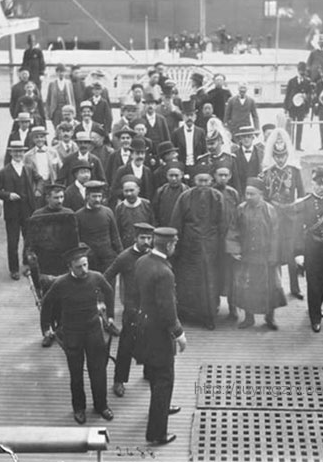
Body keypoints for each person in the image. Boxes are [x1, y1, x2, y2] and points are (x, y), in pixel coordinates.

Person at [40, 243, 115, 425]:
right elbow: (46, 303)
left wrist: (110, 315)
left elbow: (109, 291)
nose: (84, 270)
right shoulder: (61, 283)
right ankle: (79, 408)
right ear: (70, 267)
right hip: (72, 333)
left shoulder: (96, 277)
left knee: (98, 371)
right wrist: (46, 327)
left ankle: (101, 405)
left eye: (85, 265)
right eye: (79, 267)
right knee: (76, 374)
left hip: (93, 331)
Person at [134, 227, 186, 445]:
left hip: (143, 326)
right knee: (164, 378)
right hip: (159, 332)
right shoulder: (164, 272)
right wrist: (179, 333)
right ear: (169, 245)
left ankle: (161, 407)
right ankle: (156, 433)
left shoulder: (142, 261)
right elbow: (167, 309)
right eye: (174, 244)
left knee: (155, 375)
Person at [284, 166, 323, 332]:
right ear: (312, 184)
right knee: (313, 283)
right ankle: (315, 316)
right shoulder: (305, 204)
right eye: (318, 184)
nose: (321, 187)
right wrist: (298, 253)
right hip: (313, 249)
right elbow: (297, 230)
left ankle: (317, 305)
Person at [226, 177, 287, 329]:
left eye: (252, 194)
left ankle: (270, 318)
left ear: (261, 194)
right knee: (247, 287)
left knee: (270, 288)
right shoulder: (241, 209)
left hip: (266, 257)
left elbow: (276, 234)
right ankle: (249, 318)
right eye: (246, 193)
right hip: (247, 256)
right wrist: (234, 250)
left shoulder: (269, 210)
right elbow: (233, 229)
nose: (248, 197)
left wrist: (273, 255)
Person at [104, 223, 155, 398]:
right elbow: (106, 278)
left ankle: (149, 372)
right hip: (132, 310)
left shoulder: (153, 256)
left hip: (150, 308)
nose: (146, 241)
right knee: (126, 346)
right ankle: (119, 381)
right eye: (142, 238)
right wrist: (101, 302)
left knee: (150, 342)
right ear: (135, 238)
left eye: (149, 238)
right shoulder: (125, 257)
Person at [171, 170, 225, 330]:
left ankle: (209, 315)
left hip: (210, 245)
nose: (203, 184)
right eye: (200, 181)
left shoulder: (217, 197)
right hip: (189, 244)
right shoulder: (185, 197)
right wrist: (176, 243)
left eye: (206, 181)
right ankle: (187, 314)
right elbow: (176, 220)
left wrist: (221, 245)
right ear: (194, 181)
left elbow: (222, 221)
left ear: (211, 181)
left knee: (209, 280)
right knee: (188, 278)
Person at [26, 183, 79, 348]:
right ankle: (47, 331)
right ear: (47, 198)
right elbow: (30, 242)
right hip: (45, 264)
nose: (60, 201)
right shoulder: (37, 216)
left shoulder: (68, 214)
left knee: (65, 299)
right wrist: (30, 259)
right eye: (56, 197)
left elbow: (75, 240)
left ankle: (62, 328)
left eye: (62, 197)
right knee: (47, 301)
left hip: (64, 263)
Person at [260, 128, 305, 299]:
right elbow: (264, 196)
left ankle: (295, 288)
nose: (280, 159)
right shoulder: (267, 172)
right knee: (274, 252)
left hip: (290, 217)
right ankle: (276, 287)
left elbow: (301, 194)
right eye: (277, 156)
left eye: (283, 155)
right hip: (273, 216)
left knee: (291, 253)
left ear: (287, 154)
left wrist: (299, 213)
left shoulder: (295, 171)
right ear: (273, 155)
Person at [0, 142, 43, 280]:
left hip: (28, 209)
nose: (18, 154)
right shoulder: (4, 172)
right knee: (12, 241)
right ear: (10, 153)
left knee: (29, 239)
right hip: (12, 211)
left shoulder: (28, 168)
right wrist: (8, 195)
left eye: (20, 151)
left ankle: (27, 265)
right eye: (15, 152)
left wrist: (38, 190)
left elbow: (40, 180)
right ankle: (14, 269)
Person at [75, 180, 123, 273]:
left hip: (108, 259)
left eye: (99, 196)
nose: (97, 199)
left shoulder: (108, 212)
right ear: (87, 196)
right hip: (90, 260)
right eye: (94, 196)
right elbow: (77, 239)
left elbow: (115, 236)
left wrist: (120, 255)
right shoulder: (78, 215)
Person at [213, 166, 241, 320]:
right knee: (214, 273)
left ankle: (233, 307)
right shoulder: (210, 192)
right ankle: (214, 304)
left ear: (229, 176)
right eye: (220, 175)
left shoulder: (233, 193)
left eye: (225, 175)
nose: (222, 178)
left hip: (230, 240)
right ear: (214, 175)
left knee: (231, 275)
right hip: (214, 241)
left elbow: (238, 216)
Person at [23, 126, 61, 205]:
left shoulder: (53, 152)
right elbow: (27, 174)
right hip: (36, 186)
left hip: (51, 183)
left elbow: (59, 168)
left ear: (45, 138)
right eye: (36, 137)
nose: (39, 139)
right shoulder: (27, 156)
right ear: (33, 139)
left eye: (41, 137)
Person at [115, 175, 155, 249]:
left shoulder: (146, 204)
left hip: (145, 244)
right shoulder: (120, 208)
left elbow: (152, 224)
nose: (129, 194)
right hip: (127, 245)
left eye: (131, 190)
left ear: (138, 190)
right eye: (126, 191)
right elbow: (118, 230)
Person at [196, 127, 240, 192]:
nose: (209, 147)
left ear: (220, 141)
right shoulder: (202, 160)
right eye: (208, 144)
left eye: (212, 143)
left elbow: (236, 183)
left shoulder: (230, 159)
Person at [112, 137, 154, 204]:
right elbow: (115, 190)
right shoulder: (122, 170)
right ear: (131, 155)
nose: (140, 156)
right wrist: (130, 194)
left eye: (142, 153)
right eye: (137, 153)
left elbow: (150, 191)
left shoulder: (147, 171)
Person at [283, 61, 312, 151]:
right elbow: (287, 95)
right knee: (291, 127)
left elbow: (310, 95)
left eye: (303, 70)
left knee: (300, 127)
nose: (302, 72)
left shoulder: (307, 82)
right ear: (298, 70)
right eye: (300, 70)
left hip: (301, 108)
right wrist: (285, 108)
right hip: (292, 107)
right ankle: (290, 145)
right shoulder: (291, 81)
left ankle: (298, 146)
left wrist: (306, 97)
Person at [171, 101, 206, 171]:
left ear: (195, 116)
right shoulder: (176, 133)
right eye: (187, 115)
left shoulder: (200, 132)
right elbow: (173, 151)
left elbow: (204, 151)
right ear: (183, 116)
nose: (189, 118)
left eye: (191, 115)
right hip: (181, 166)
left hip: (197, 166)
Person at [231, 125, 265, 194]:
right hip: (240, 191)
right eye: (244, 137)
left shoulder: (261, 153)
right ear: (240, 138)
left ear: (253, 138)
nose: (246, 139)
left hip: (256, 191)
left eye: (249, 136)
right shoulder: (234, 155)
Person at [152, 162, 188, 227]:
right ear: (166, 176)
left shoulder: (187, 192)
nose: (174, 179)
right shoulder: (160, 191)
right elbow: (154, 211)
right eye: (171, 176)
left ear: (182, 175)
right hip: (164, 227)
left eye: (176, 175)